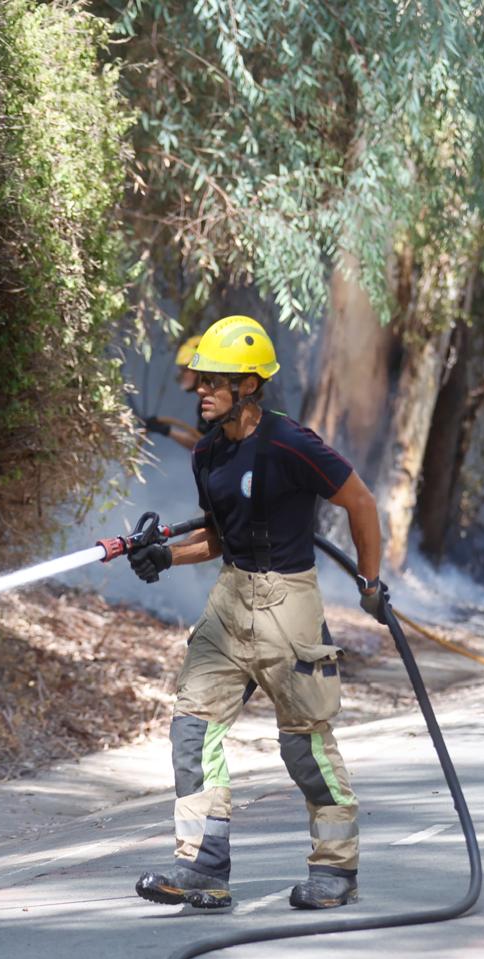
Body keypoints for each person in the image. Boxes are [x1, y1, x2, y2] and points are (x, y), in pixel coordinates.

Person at [127, 314, 390, 911]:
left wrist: (370, 583)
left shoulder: (291, 443)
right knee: (193, 729)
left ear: (249, 385)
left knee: (304, 744)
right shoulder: (209, 456)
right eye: (200, 381)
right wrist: (165, 555)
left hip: (289, 604)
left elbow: (360, 502)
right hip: (229, 599)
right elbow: (220, 537)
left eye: (214, 381)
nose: (200, 390)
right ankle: (203, 868)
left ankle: (336, 871)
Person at [141, 334, 206, 451]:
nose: (179, 375)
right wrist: (167, 430)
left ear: (200, 371)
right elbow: (201, 444)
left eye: (184, 369)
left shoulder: (219, 407)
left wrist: (167, 430)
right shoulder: (204, 406)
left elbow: (210, 448)